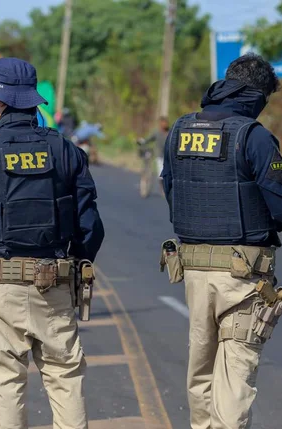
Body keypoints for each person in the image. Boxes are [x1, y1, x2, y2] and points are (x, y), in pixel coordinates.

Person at [0, 57, 105, 429]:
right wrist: (73, 267)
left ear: (3, 103)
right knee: (65, 380)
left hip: (0, 290)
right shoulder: (66, 151)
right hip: (55, 286)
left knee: (6, 382)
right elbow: (91, 226)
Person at [160, 53, 282, 429]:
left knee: (201, 371)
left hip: (194, 270)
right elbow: (278, 206)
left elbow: (171, 189)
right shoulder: (255, 136)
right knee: (235, 373)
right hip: (244, 277)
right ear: (256, 95)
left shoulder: (179, 129)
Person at [138, 116, 169, 191]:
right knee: (160, 171)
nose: (164, 124)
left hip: (167, 154)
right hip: (159, 155)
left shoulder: (169, 132)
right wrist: (142, 141)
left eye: (165, 123)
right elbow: (149, 139)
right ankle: (162, 187)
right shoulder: (156, 132)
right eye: (162, 123)